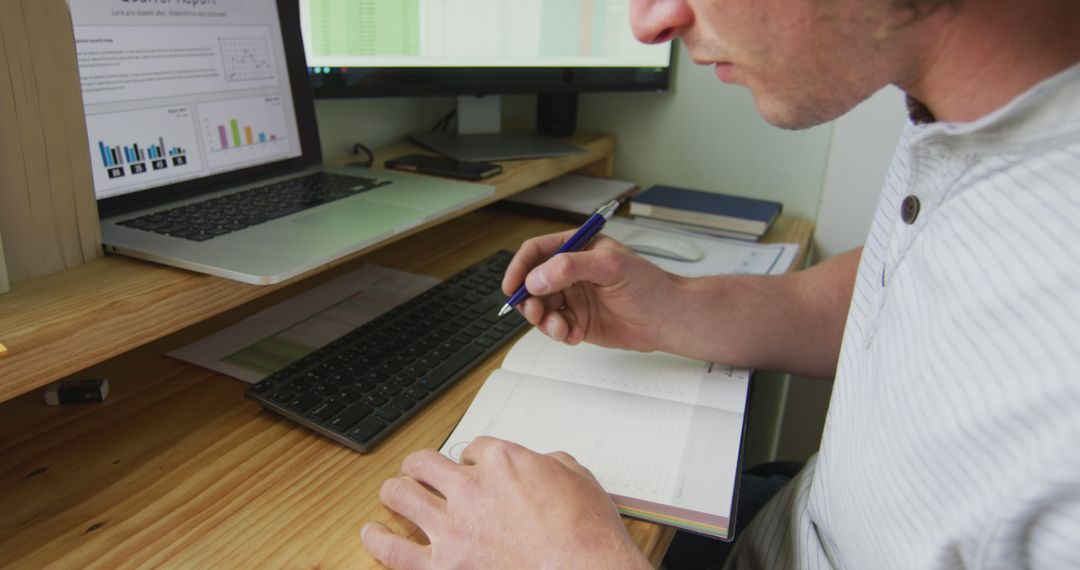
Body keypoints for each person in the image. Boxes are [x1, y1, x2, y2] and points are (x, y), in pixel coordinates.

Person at [360, 0, 1080, 567]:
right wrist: (674, 310)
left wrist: (574, 562)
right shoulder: (975, 115)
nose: (648, 22)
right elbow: (902, 294)